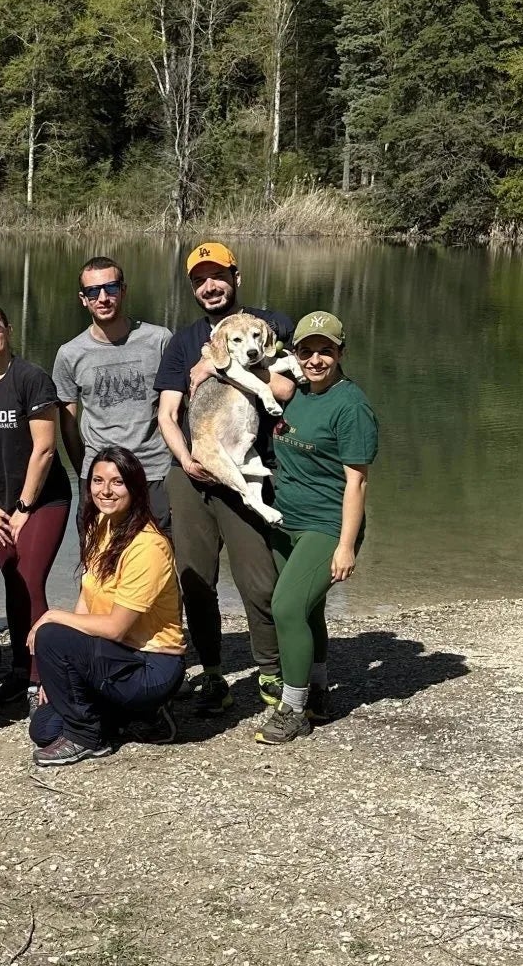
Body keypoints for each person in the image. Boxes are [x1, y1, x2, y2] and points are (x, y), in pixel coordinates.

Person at [154, 241, 295, 717]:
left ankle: (271, 671)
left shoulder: (267, 325)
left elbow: (284, 387)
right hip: (191, 472)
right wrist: (186, 458)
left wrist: (226, 365)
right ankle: (213, 675)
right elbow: (168, 412)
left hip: (247, 468)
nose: (209, 286)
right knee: (195, 580)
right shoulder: (184, 340)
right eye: (199, 279)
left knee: (259, 581)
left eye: (217, 276)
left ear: (237, 277)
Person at [255, 312, 379, 746]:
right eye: (306, 351)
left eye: (325, 351)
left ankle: (292, 708)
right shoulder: (295, 395)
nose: (315, 360)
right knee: (308, 611)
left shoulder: (352, 405)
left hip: (328, 525)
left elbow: (357, 482)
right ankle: (320, 691)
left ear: (341, 353)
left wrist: (346, 545)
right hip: (286, 521)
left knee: (286, 607)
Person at [28, 446, 188, 770]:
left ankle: (87, 738)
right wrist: (54, 670)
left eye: (117, 482)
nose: (105, 490)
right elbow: (87, 598)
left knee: (51, 634)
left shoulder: (147, 546)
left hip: (151, 666)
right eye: (98, 480)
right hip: (115, 655)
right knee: (43, 728)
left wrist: (51, 619)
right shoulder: (100, 523)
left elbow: (115, 627)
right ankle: (136, 715)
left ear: (135, 487)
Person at [0, 301, 69, 699]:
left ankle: (44, 676)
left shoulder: (31, 378)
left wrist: (23, 508)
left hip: (43, 500)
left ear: (7, 328)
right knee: (10, 580)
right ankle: (20, 670)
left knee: (30, 579)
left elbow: (44, 449)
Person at [53, 258, 173, 523]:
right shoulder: (69, 354)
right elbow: (69, 426)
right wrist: (87, 472)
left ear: (124, 290)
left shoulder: (159, 340)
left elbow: (178, 409)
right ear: (83, 299)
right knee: (99, 562)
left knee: (160, 558)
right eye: (94, 291)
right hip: (101, 482)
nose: (103, 298)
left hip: (154, 474)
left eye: (111, 288)